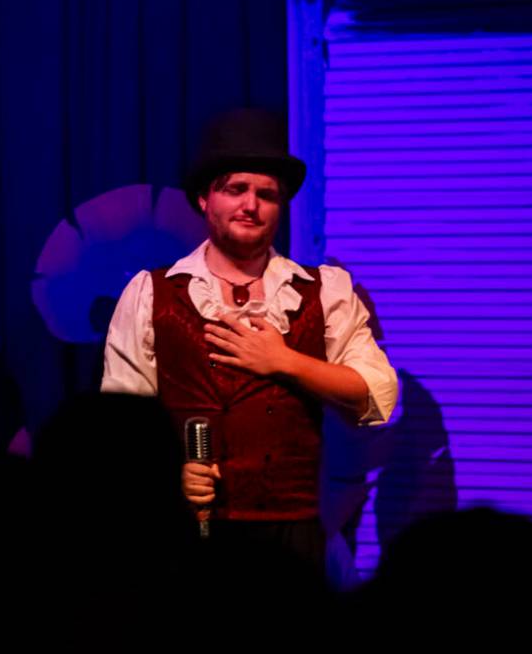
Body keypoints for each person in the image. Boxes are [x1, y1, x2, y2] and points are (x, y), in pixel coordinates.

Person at [101, 108, 397, 565]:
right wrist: (169, 475)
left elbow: (376, 394)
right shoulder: (150, 293)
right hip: (188, 529)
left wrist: (286, 361)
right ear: (205, 198)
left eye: (266, 194)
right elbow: (121, 424)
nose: (250, 205)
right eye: (235, 189)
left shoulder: (324, 291)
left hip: (292, 535)